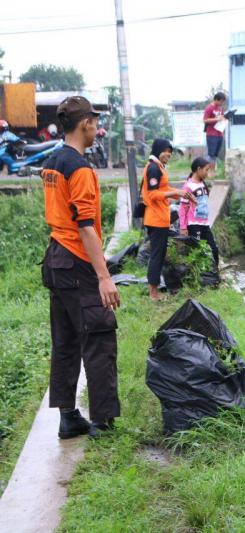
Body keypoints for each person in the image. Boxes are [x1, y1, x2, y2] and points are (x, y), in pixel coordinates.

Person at [40, 96, 121, 439]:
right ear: (85, 123)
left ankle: (69, 416)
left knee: (66, 340)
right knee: (99, 334)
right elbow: (86, 225)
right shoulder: (80, 168)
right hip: (77, 260)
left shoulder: (52, 161)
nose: (97, 128)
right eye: (95, 122)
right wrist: (104, 277)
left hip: (56, 258)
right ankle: (102, 422)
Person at [141, 138, 195, 301]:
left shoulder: (159, 167)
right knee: (157, 255)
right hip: (155, 219)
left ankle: (155, 290)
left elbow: (163, 189)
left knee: (160, 253)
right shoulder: (153, 169)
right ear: (158, 150)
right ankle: (153, 293)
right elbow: (152, 194)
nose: (168, 155)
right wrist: (174, 193)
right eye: (166, 151)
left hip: (160, 218)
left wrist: (180, 192)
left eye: (170, 153)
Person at [178, 157, 219, 268]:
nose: (207, 173)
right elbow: (183, 207)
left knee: (214, 249)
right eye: (206, 170)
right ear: (198, 169)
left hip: (205, 224)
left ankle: (214, 273)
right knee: (197, 251)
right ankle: (197, 275)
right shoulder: (188, 186)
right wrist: (183, 227)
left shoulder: (203, 185)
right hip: (193, 224)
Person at [203, 92, 226, 167]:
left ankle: (212, 171)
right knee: (211, 154)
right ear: (216, 99)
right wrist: (216, 119)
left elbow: (221, 118)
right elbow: (205, 120)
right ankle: (206, 170)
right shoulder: (209, 108)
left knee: (216, 155)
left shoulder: (220, 108)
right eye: (221, 101)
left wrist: (224, 118)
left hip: (220, 133)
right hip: (211, 134)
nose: (222, 103)